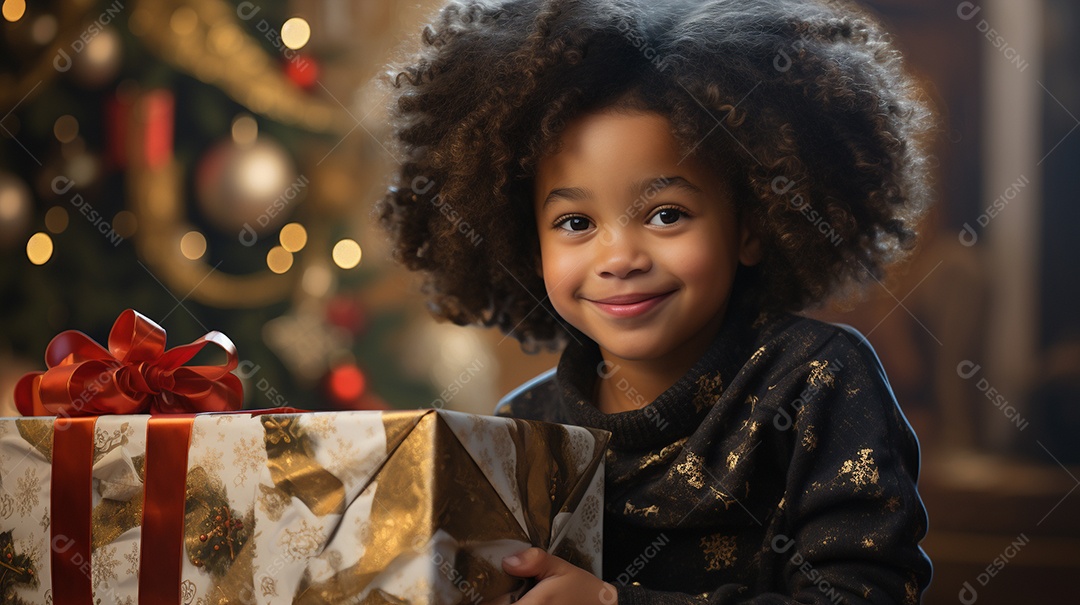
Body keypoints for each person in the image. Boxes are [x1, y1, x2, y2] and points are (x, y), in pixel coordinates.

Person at [376, 0, 936, 602]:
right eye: (574, 222)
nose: (620, 257)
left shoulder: (817, 382)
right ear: (526, 244)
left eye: (666, 214)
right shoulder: (524, 428)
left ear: (750, 227)